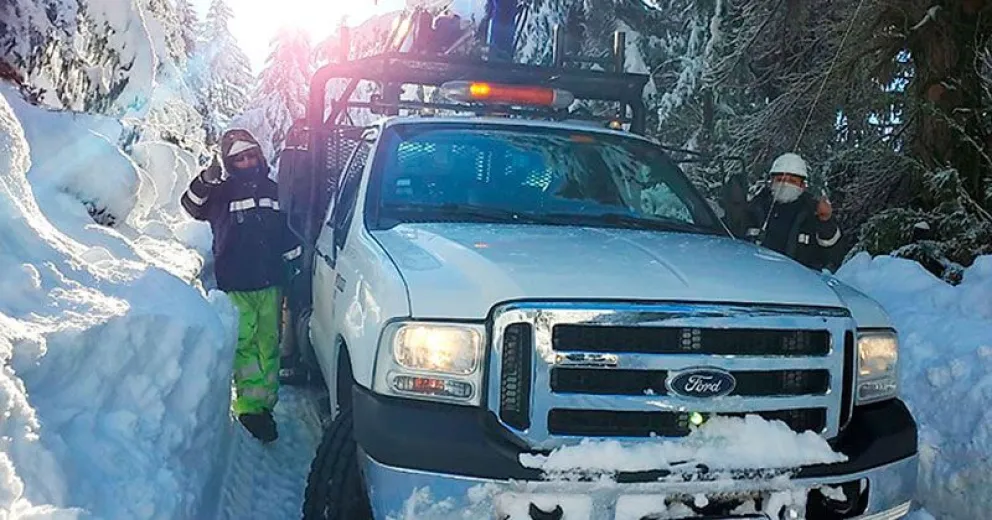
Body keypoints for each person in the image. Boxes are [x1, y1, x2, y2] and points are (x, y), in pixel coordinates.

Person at [180, 128, 301, 443]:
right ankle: (249, 408)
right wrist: (206, 179)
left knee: (269, 344)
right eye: (239, 158)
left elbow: (287, 230)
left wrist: (294, 262)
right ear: (230, 162)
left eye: (251, 155)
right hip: (236, 283)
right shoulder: (220, 193)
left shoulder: (276, 190)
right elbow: (191, 206)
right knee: (245, 344)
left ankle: (265, 404)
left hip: (271, 282)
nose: (246, 162)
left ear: (259, 156)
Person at [741, 152, 841, 271]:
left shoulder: (813, 212)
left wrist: (826, 221)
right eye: (780, 179)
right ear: (771, 181)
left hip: (798, 283)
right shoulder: (755, 207)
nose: (785, 184)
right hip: (755, 277)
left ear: (803, 185)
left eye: (792, 181)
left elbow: (833, 257)